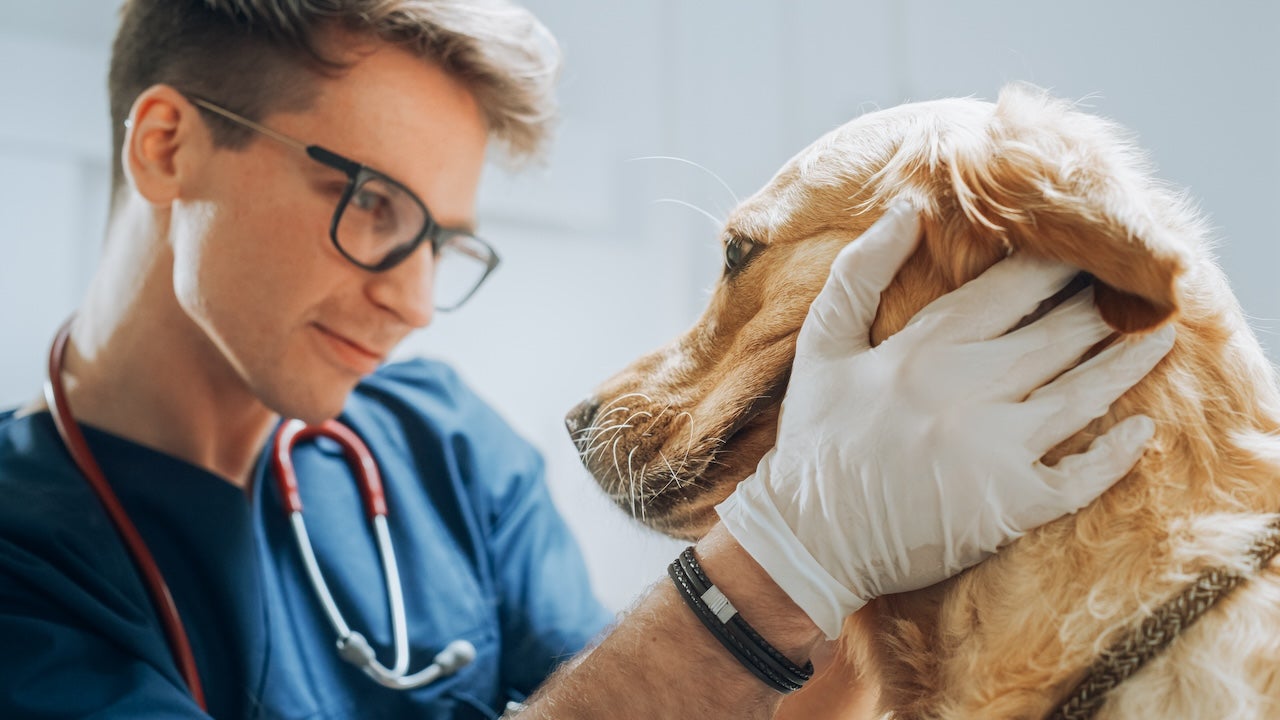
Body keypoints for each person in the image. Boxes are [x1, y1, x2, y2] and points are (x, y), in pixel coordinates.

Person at [0, 1, 1175, 718]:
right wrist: (785, 553)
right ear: (168, 147)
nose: (413, 300)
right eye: (369, 205)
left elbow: (668, 702)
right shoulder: (26, 562)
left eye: (441, 241)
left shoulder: (439, 445)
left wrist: (881, 541)